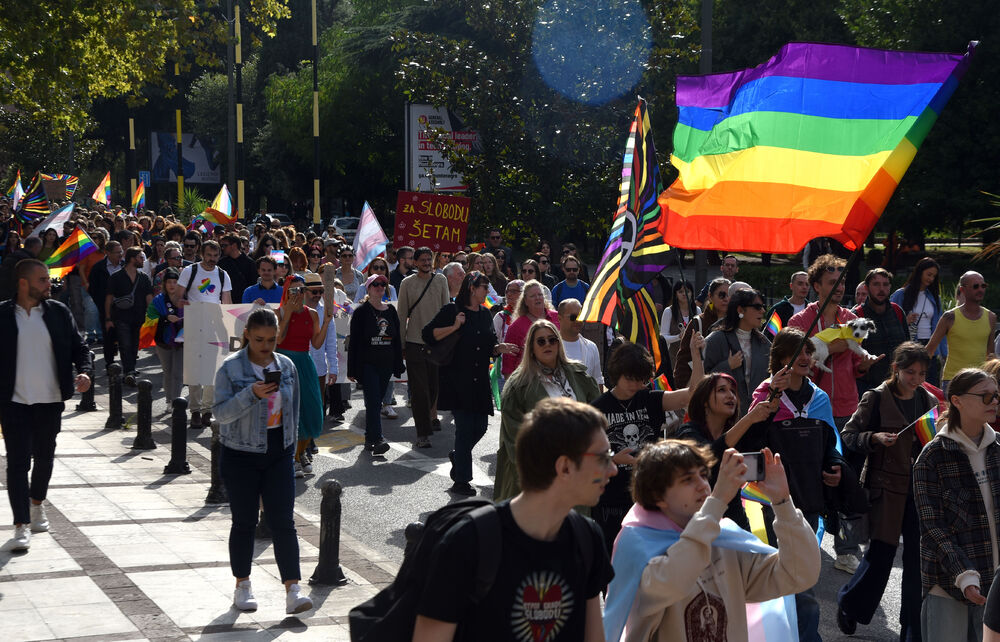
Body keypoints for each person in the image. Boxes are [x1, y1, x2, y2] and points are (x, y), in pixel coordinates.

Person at [412, 397, 615, 641]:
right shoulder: (468, 543)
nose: (613, 469)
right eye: (604, 457)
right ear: (565, 467)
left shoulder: (587, 538)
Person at [604, 440, 819, 642]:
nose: (702, 486)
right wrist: (717, 501)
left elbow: (798, 575)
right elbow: (673, 580)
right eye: (687, 479)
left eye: (703, 475)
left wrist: (782, 502)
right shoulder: (637, 548)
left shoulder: (722, 538)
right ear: (657, 496)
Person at [212, 307, 314, 615]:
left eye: (271, 340)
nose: (266, 346)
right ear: (247, 335)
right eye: (259, 340)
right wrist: (251, 394)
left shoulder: (287, 366)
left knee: (283, 521)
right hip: (240, 453)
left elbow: (294, 408)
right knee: (244, 521)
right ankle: (242, 585)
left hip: (278, 452)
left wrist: (292, 447)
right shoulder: (230, 368)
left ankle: (293, 590)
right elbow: (220, 413)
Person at [789, 253, 882, 574]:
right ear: (816, 286)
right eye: (833, 282)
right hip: (810, 411)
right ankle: (804, 545)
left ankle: (846, 550)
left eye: (842, 282)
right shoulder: (800, 322)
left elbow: (856, 368)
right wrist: (831, 350)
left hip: (847, 410)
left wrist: (865, 363)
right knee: (810, 480)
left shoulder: (852, 318)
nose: (840, 287)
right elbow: (793, 366)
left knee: (847, 479)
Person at [837, 342, 937, 639]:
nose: (916, 378)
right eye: (910, 372)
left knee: (917, 563)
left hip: (919, 490)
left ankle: (912, 630)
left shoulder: (928, 399)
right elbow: (848, 435)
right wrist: (874, 438)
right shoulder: (876, 397)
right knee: (880, 558)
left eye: (922, 373)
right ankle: (849, 604)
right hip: (885, 490)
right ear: (896, 369)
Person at [0, 259, 92, 552]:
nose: (48, 284)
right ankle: (20, 525)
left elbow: (80, 347)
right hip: (14, 403)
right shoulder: (3, 315)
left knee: (44, 459)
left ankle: (37, 503)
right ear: (23, 283)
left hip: (50, 401)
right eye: (42, 280)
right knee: (17, 464)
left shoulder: (58, 312)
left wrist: (85, 371)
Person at [590, 340, 705, 553]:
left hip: (649, 496)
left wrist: (695, 356)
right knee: (615, 558)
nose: (635, 385)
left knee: (654, 556)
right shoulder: (597, 408)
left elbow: (692, 394)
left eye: (640, 380)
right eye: (630, 379)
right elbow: (584, 456)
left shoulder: (650, 399)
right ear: (617, 373)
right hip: (611, 502)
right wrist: (613, 459)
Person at [913, 368, 1000, 641]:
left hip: (995, 584)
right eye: (985, 396)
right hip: (947, 585)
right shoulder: (932, 457)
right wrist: (964, 575)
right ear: (957, 401)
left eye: (996, 395)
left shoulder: (998, 449)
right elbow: (933, 527)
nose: (995, 402)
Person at [423, 272, 519, 495]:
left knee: (481, 427)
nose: (487, 291)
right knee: (465, 430)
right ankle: (462, 480)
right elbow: (428, 334)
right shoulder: (452, 310)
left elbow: (489, 344)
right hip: (457, 379)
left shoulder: (485, 314)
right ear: (472, 288)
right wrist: (454, 326)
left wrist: (499, 348)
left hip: (479, 380)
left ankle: (458, 456)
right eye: (484, 286)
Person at [494, 319, 600, 502]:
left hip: (578, 468)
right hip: (540, 475)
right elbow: (514, 440)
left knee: (576, 519)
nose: (548, 344)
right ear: (531, 348)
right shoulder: (518, 386)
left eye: (552, 339)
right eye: (541, 341)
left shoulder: (578, 375)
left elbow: (597, 414)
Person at [674, 372, 780, 530]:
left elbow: (756, 431)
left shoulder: (734, 433)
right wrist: (749, 418)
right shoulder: (687, 433)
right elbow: (709, 455)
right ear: (704, 401)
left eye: (733, 391)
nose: (731, 396)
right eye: (722, 390)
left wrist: (775, 394)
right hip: (696, 524)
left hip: (734, 522)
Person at [277, 275, 333, 475]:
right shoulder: (278, 312)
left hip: (305, 362)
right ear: (287, 292)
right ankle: (292, 458)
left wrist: (326, 322)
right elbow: (278, 339)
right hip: (284, 363)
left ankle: (301, 453)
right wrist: (287, 314)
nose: (298, 294)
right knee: (291, 412)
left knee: (312, 409)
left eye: (301, 290)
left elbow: (316, 343)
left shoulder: (312, 314)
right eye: (293, 290)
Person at [397, 247, 451, 448]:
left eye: (429, 259)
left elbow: (447, 312)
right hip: (414, 344)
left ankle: (427, 419)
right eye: (423, 260)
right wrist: (402, 344)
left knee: (434, 388)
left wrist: (447, 341)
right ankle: (422, 433)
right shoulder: (407, 283)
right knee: (419, 391)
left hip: (436, 344)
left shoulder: (441, 280)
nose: (427, 263)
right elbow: (401, 315)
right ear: (415, 262)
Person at [346, 273, 404, 455]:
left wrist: (398, 363)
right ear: (368, 289)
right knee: (372, 401)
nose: (380, 287)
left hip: (386, 363)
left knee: (377, 402)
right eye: (376, 284)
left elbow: (396, 339)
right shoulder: (361, 312)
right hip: (368, 364)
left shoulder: (391, 310)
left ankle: (369, 438)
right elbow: (354, 342)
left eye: (382, 284)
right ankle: (378, 439)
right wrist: (351, 368)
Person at [179, 239, 233, 429]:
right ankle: (195, 410)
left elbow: (227, 302)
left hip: (214, 326)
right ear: (201, 254)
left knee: (213, 369)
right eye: (209, 255)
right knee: (194, 369)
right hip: (194, 325)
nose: (212, 259)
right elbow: (178, 296)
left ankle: (207, 410)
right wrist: (185, 306)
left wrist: (228, 327)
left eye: (215, 255)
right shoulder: (190, 271)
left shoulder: (223, 274)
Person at [703, 288, 771, 418]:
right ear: (740, 310)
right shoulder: (716, 340)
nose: (762, 311)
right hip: (723, 419)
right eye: (757, 307)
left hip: (758, 418)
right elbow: (702, 380)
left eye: (763, 306)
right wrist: (727, 366)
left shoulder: (764, 344)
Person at [926, 271, 996, 392]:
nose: (980, 289)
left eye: (983, 286)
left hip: (980, 381)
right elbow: (929, 350)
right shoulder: (950, 317)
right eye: (975, 286)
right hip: (953, 381)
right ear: (962, 290)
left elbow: (990, 355)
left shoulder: (991, 317)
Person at [852, 268, 911, 395]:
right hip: (867, 388)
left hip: (898, 385)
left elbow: (907, 345)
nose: (881, 289)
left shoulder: (897, 311)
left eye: (885, 284)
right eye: (876, 284)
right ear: (867, 288)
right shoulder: (857, 316)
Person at [892, 257, 945, 386]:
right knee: (909, 382)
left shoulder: (934, 297)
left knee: (930, 384)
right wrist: (905, 321)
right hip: (909, 345)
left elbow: (940, 326)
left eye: (934, 276)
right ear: (919, 272)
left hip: (930, 345)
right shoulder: (901, 294)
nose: (931, 279)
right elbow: (890, 319)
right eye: (929, 274)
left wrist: (944, 352)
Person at [106, 247, 153, 384]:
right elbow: (109, 298)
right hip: (121, 317)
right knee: (125, 344)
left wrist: (151, 317)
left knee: (134, 345)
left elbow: (149, 298)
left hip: (139, 317)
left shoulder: (143, 278)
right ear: (132, 259)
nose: (143, 260)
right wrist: (108, 318)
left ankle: (130, 368)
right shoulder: (116, 277)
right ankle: (129, 371)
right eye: (140, 257)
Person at [674, 277, 729, 388]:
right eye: (722, 295)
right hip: (701, 388)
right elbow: (682, 361)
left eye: (730, 295)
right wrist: (684, 389)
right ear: (710, 296)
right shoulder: (698, 322)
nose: (726, 299)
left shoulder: (737, 323)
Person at [500, 279, 560, 378]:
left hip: (557, 377)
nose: (537, 298)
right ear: (525, 301)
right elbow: (508, 365)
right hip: (528, 380)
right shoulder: (515, 327)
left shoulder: (558, 317)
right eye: (533, 296)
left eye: (540, 294)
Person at [147, 268, 185, 404]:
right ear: (164, 284)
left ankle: (176, 402)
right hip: (163, 341)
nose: (172, 285)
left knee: (178, 374)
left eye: (175, 282)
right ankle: (169, 400)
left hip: (183, 342)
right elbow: (149, 319)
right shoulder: (157, 301)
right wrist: (166, 318)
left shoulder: (185, 299)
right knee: (168, 372)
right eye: (169, 282)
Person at [87, 239, 123, 367]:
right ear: (108, 253)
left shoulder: (125, 266)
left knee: (124, 336)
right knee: (108, 336)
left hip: (124, 308)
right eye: (117, 252)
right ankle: (110, 364)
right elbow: (92, 289)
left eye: (121, 251)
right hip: (106, 308)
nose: (120, 254)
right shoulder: (98, 268)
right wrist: (101, 303)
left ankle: (128, 367)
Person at [557, 298, 604, 387]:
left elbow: (598, 380)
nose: (578, 321)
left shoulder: (591, 347)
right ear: (559, 318)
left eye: (581, 316)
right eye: (573, 317)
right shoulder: (551, 347)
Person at [659, 280, 699, 363]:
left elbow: (702, 333)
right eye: (680, 292)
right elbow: (663, 338)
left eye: (687, 291)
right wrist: (678, 337)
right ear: (676, 294)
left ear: (692, 293)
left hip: (693, 357)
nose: (684, 294)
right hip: (674, 358)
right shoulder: (668, 311)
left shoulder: (697, 310)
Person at [764, 271, 810, 339]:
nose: (804, 287)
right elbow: (771, 337)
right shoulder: (778, 309)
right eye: (800, 284)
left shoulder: (813, 309)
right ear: (791, 286)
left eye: (807, 284)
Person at [218, 233, 257, 304]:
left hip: (244, 302)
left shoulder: (250, 263)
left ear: (234, 245)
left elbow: (253, 285)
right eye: (222, 246)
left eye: (225, 245)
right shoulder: (221, 263)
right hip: (226, 302)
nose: (222, 248)